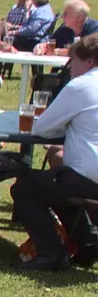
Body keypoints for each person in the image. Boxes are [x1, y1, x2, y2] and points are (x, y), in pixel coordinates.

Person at [14, 32, 98, 270]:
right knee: (58, 185)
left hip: (90, 174)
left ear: (89, 61)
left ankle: (51, 252)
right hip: (84, 176)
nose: (70, 67)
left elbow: (43, 127)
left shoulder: (81, 86)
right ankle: (88, 244)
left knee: (25, 190)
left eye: (74, 61)